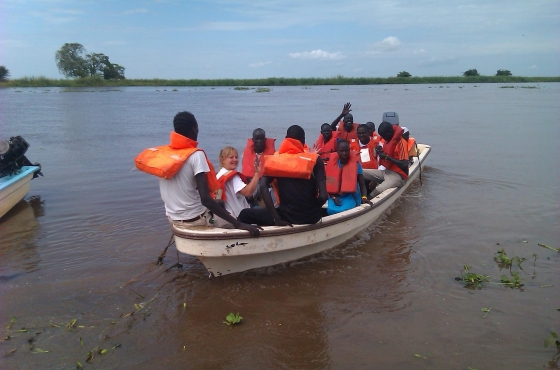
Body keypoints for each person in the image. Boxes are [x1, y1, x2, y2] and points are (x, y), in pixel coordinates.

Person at [135, 111, 260, 236]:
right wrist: (238, 224)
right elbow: (206, 200)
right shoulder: (196, 155)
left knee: (220, 203)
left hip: (173, 217)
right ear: (194, 129)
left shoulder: (167, 156)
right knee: (239, 219)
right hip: (196, 219)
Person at [238, 125, 328, 226]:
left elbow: (263, 185)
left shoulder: (276, 160)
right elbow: (323, 196)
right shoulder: (315, 160)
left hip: (285, 216)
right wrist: (313, 209)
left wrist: (276, 218)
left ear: (286, 139)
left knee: (244, 214)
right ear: (303, 141)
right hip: (311, 217)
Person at [325, 140, 371, 215]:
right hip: (335, 196)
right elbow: (329, 184)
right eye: (341, 151)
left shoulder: (356, 164)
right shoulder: (332, 164)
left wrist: (364, 197)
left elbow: (362, 184)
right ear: (337, 151)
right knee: (330, 210)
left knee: (345, 211)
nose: (344, 153)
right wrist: (333, 197)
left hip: (350, 196)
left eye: (347, 151)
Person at [367, 121, 409, 198]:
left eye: (383, 135)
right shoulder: (388, 140)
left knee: (378, 190)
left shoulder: (401, 142)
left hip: (398, 175)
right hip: (387, 172)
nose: (382, 138)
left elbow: (405, 164)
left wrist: (386, 157)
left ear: (389, 132)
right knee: (361, 172)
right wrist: (380, 151)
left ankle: (366, 202)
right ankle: (359, 195)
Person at [215, 146, 260, 218]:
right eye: (231, 157)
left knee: (253, 204)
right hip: (239, 216)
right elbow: (248, 192)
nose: (235, 160)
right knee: (266, 211)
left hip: (226, 214)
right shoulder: (234, 177)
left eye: (236, 157)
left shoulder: (219, 175)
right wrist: (257, 174)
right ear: (223, 160)